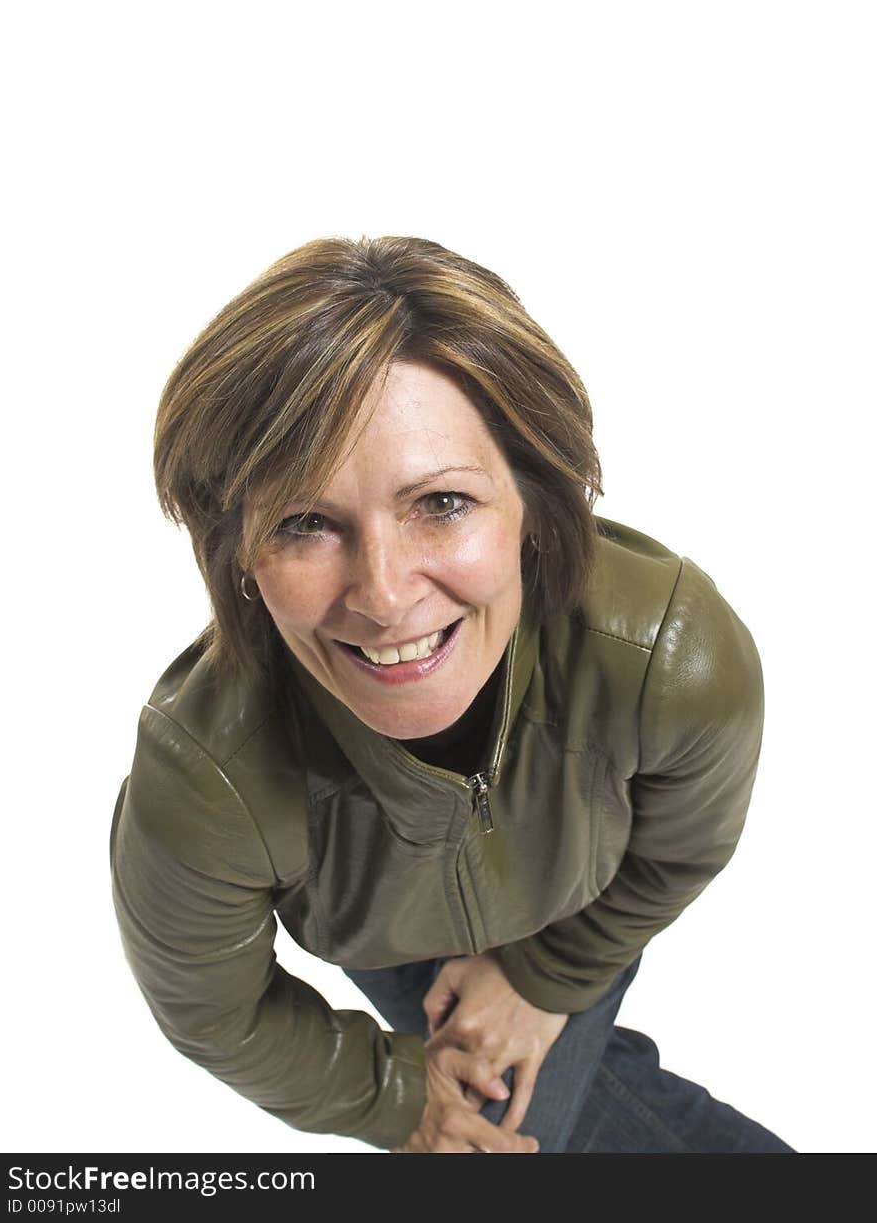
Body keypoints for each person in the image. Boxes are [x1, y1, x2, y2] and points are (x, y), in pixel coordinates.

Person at [109, 235, 794, 1153]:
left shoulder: (669, 652)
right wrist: (399, 1096)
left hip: (579, 898)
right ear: (236, 553)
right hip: (391, 932)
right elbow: (213, 1011)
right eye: (307, 524)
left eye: (441, 503)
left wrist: (546, 976)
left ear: (535, 502)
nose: (384, 597)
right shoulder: (201, 780)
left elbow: (684, 843)